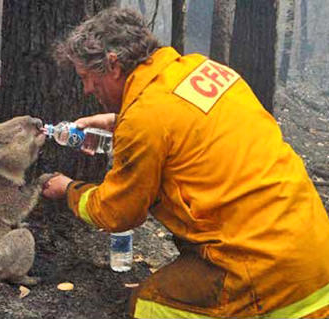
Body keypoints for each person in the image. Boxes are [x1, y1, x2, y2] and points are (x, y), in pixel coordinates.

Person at [42, 7, 329, 319]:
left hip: (264, 271)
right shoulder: (202, 69)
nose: (86, 89)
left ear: (112, 65)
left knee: (149, 306)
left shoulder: (146, 119)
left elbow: (116, 212)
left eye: (86, 77)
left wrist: (68, 189)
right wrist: (119, 121)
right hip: (314, 252)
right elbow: (182, 124)